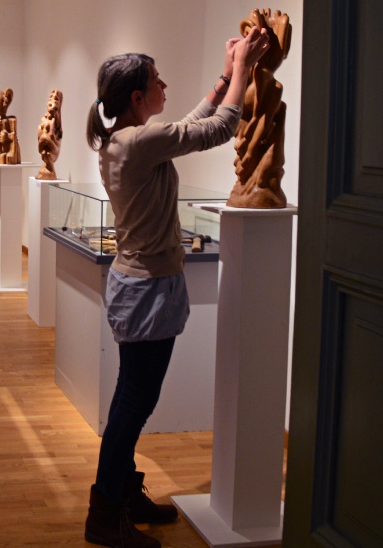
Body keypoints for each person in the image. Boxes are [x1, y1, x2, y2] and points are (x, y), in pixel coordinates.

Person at [82, 28, 269, 548]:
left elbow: (189, 125)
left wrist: (226, 77)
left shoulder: (126, 138)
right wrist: (242, 70)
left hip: (140, 284)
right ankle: (105, 514)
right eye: (157, 80)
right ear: (137, 97)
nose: (164, 85)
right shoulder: (139, 142)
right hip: (146, 289)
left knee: (133, 399)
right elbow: (219, 128)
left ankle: (122, 493)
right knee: (133, 403)